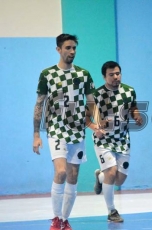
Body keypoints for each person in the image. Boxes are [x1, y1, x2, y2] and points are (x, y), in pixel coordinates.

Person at [32, 34, 95, 230]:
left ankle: (65, 220)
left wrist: (89, 121)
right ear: (58, 49)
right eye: (68, 48)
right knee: (60, 172)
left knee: (73, 177)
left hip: (77, 131)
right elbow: (39, 104)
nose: (72, 51)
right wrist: (36, 134)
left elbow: (92, 101)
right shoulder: (47, 74)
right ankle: (56, 218)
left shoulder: (83, 75)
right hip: (56, 129)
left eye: (74, 48)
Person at [86, 61, 143, 223]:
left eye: (118, 73)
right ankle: (112, 211)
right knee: (111, 171)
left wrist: (136, 115)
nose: (115, 77)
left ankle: (100, 178)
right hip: (103, 140)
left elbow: (133, 108)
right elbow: (85, 118)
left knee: (119, 179)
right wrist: (95, 128)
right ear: (104, 77)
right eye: (111, 75)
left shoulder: (129, 91)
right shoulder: (97, 95)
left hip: (123, 140)